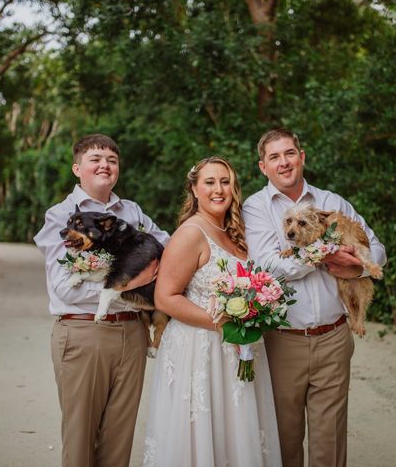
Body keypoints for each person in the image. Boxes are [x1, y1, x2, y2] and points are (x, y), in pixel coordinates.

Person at [243, 128, 387, 467]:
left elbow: (375, 248)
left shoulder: (332, 202)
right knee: (284, 438)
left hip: (333, 336)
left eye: (289, 153)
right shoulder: (256, 208)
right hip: (282, 340)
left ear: (302, 157)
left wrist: (358, 269)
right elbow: (268, 264)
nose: (284, 162)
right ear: (263, 166)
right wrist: (323, 255)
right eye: (274, 157)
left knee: (330, 440)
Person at [33, 134, 169, 467]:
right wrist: (132, 288)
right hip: (83, 336)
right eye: (95, 158)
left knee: (119, 442)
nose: (104, 165)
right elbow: (67, 289)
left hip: (132, 335)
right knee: (80, 440)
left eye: (111, 159)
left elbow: (168, 251)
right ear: (77, 168)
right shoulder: (60, 216)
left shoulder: (132, 212)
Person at [143, 157, 282, 467]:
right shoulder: (191, 233)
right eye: (209, 182)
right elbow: (165, 298)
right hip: (201, 350)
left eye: (225, 181)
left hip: (239, 350)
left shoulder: (235, 233)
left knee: (236, 433)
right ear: (194, 189)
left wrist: (256, 312)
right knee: (202, 438)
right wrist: (225, 325)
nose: (218, 189)